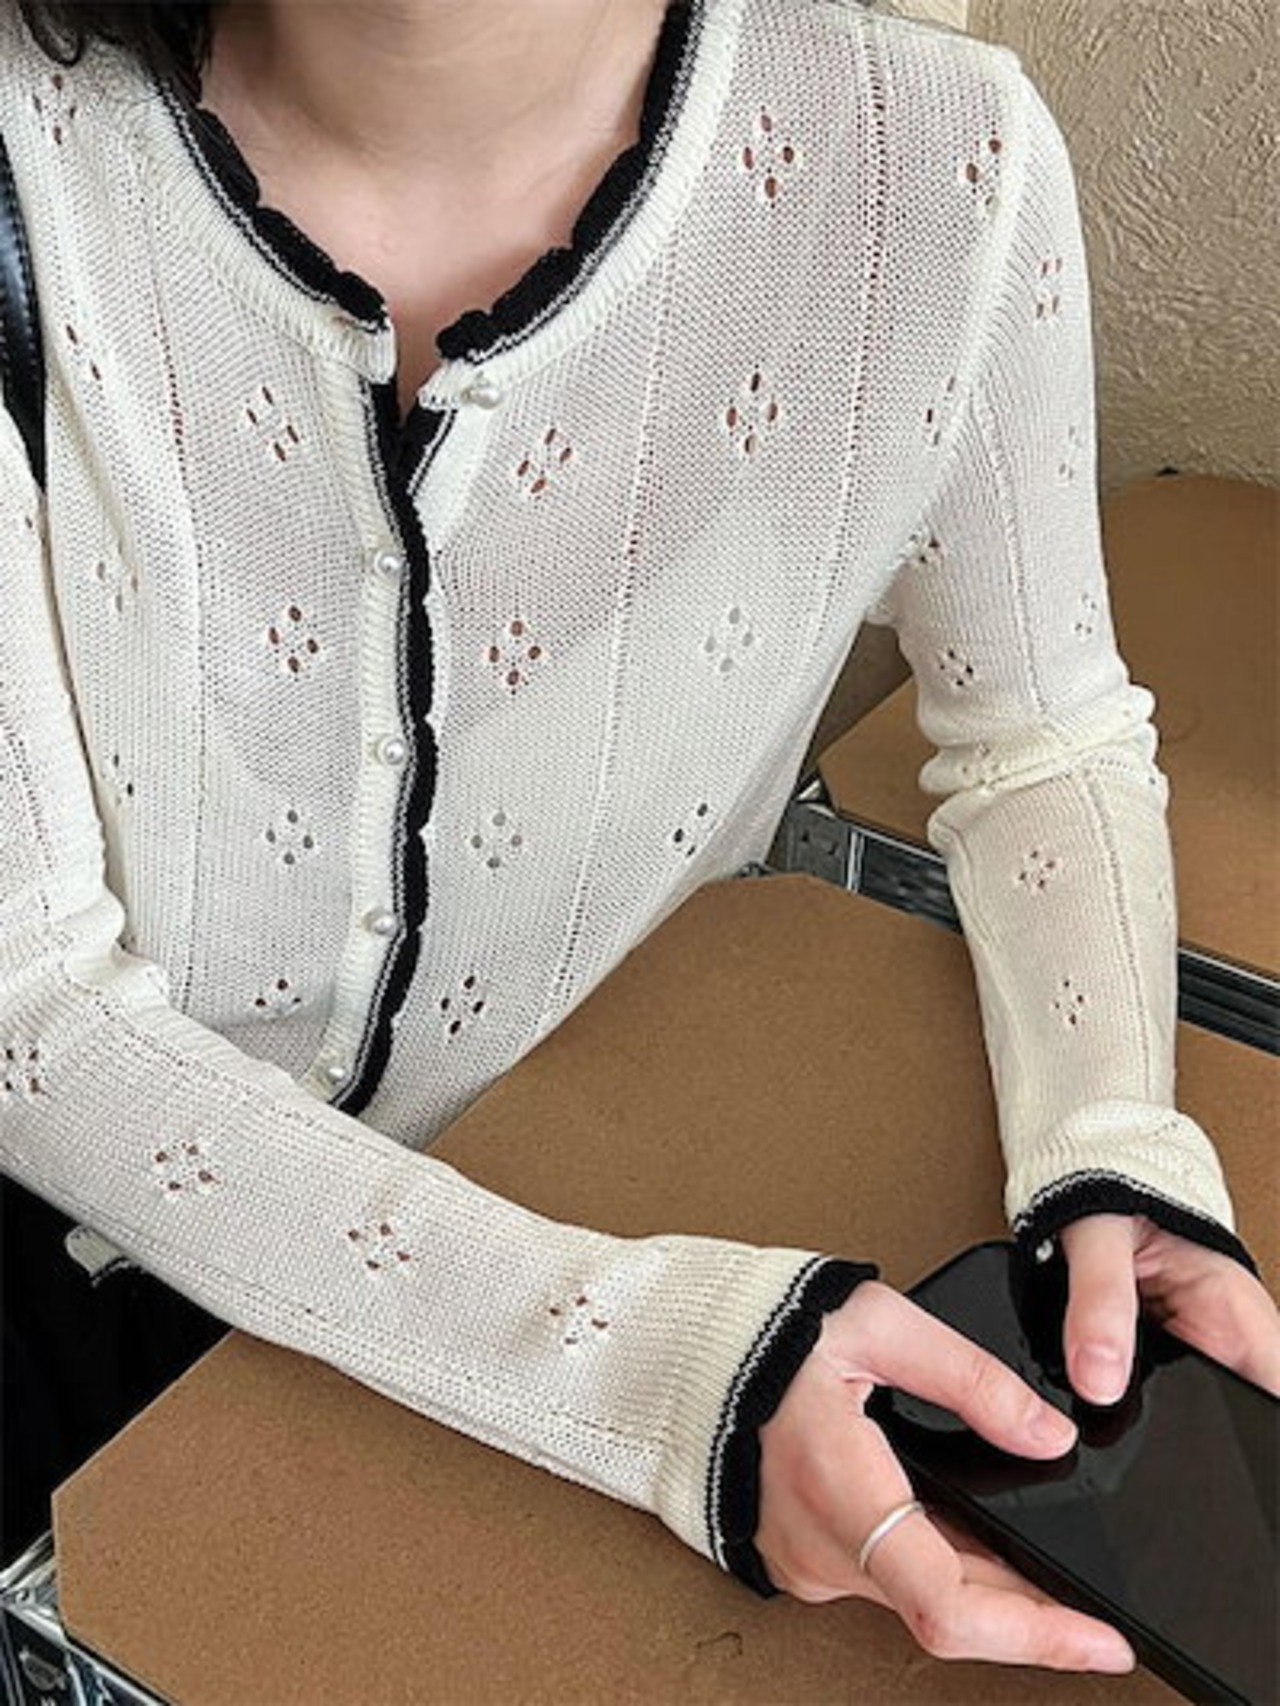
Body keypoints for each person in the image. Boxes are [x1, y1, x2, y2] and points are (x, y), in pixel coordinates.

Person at [1, 0, 1276, 1677]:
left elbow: (1041, 735)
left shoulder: (938, 170)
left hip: (598, 1185)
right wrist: (656, 1374)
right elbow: (25, 1006)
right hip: (74, 1273)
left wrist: (1112, 1139)